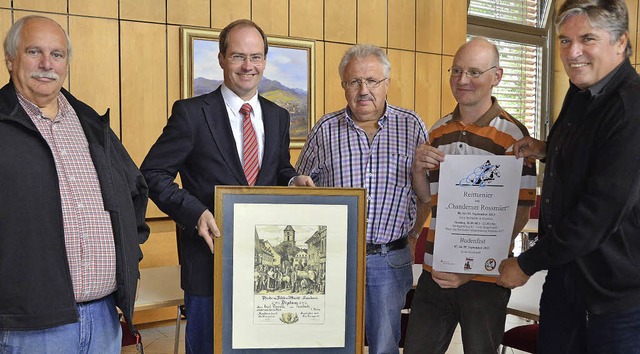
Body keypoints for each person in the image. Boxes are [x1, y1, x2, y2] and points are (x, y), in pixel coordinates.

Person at [140, 19, 314, 354]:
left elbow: (278, 169)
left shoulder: (277, 116)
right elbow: (152, 174)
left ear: (265, 60)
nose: (248, 66)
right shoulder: (191, 114)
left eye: (256, 57)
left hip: (266, 265)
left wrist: (293, 180)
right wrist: (195, 212)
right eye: (238, 57)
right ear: (221, 58)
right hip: (208, 262)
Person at [0, 15, 149, 353]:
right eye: (33, 51)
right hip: (29, 327)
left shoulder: (92, 125)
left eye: (57, 54)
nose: (46, 64)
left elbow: (134, 195)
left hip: (103, 318)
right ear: (10, 59)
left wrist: (128, 260)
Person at [497, 1, 640, 352]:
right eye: (564, 40)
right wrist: (546, 148)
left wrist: (525, 264)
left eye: (587, 39)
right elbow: (595, 155)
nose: (572, 52)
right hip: (566, 278)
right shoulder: (583, 91)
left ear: (620, 42)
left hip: (612, 295)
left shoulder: (629, 107)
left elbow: (597, 214)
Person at [403, 37, 536, 354]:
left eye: (474, 72)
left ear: (497, 76)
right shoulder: (438, 130)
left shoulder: (516, 136)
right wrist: (418, 171)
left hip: (486, 278)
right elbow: (426, 199)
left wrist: (472, 267)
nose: (463, 80)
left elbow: (520, 211)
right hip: (436, 271)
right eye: (457, 70)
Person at [296, 44, 430, 354]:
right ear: (343, 85)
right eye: (354, 81)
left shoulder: (411, 126)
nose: (363, 90)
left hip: (389, 259)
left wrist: (412, 236)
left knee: (384, 344)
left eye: (372, 80)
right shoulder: (325, 130)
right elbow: (299, 190)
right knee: (331, 342)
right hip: (333, 260)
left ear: (387, 83)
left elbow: (425, 194)